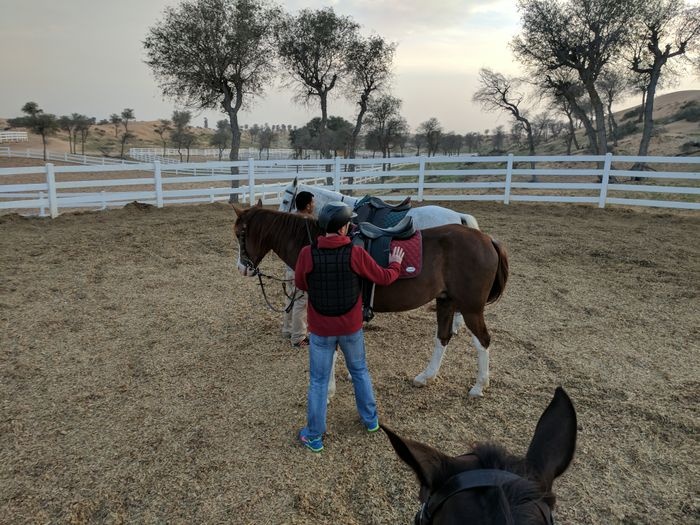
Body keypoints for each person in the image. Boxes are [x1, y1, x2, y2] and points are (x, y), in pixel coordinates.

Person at [294, 201, 405, 452]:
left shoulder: (306, 254)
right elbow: (384, 277)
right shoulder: (356, 253)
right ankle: (371, 421)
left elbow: (301, 283)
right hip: (351, 328)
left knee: (318, 381)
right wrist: (396, 263)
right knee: (359, 371)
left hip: (321, 329)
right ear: (344, 227)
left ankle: (314, 435)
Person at [281, 191, 315, 347]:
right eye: (312, 203)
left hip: (289, 266)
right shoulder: (308, 222)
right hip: (300, 267)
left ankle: (287, 329)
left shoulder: (289, 220)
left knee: (290, 298)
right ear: (307, 205)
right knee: (301, 301)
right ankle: (298, 337)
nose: (314, 205)